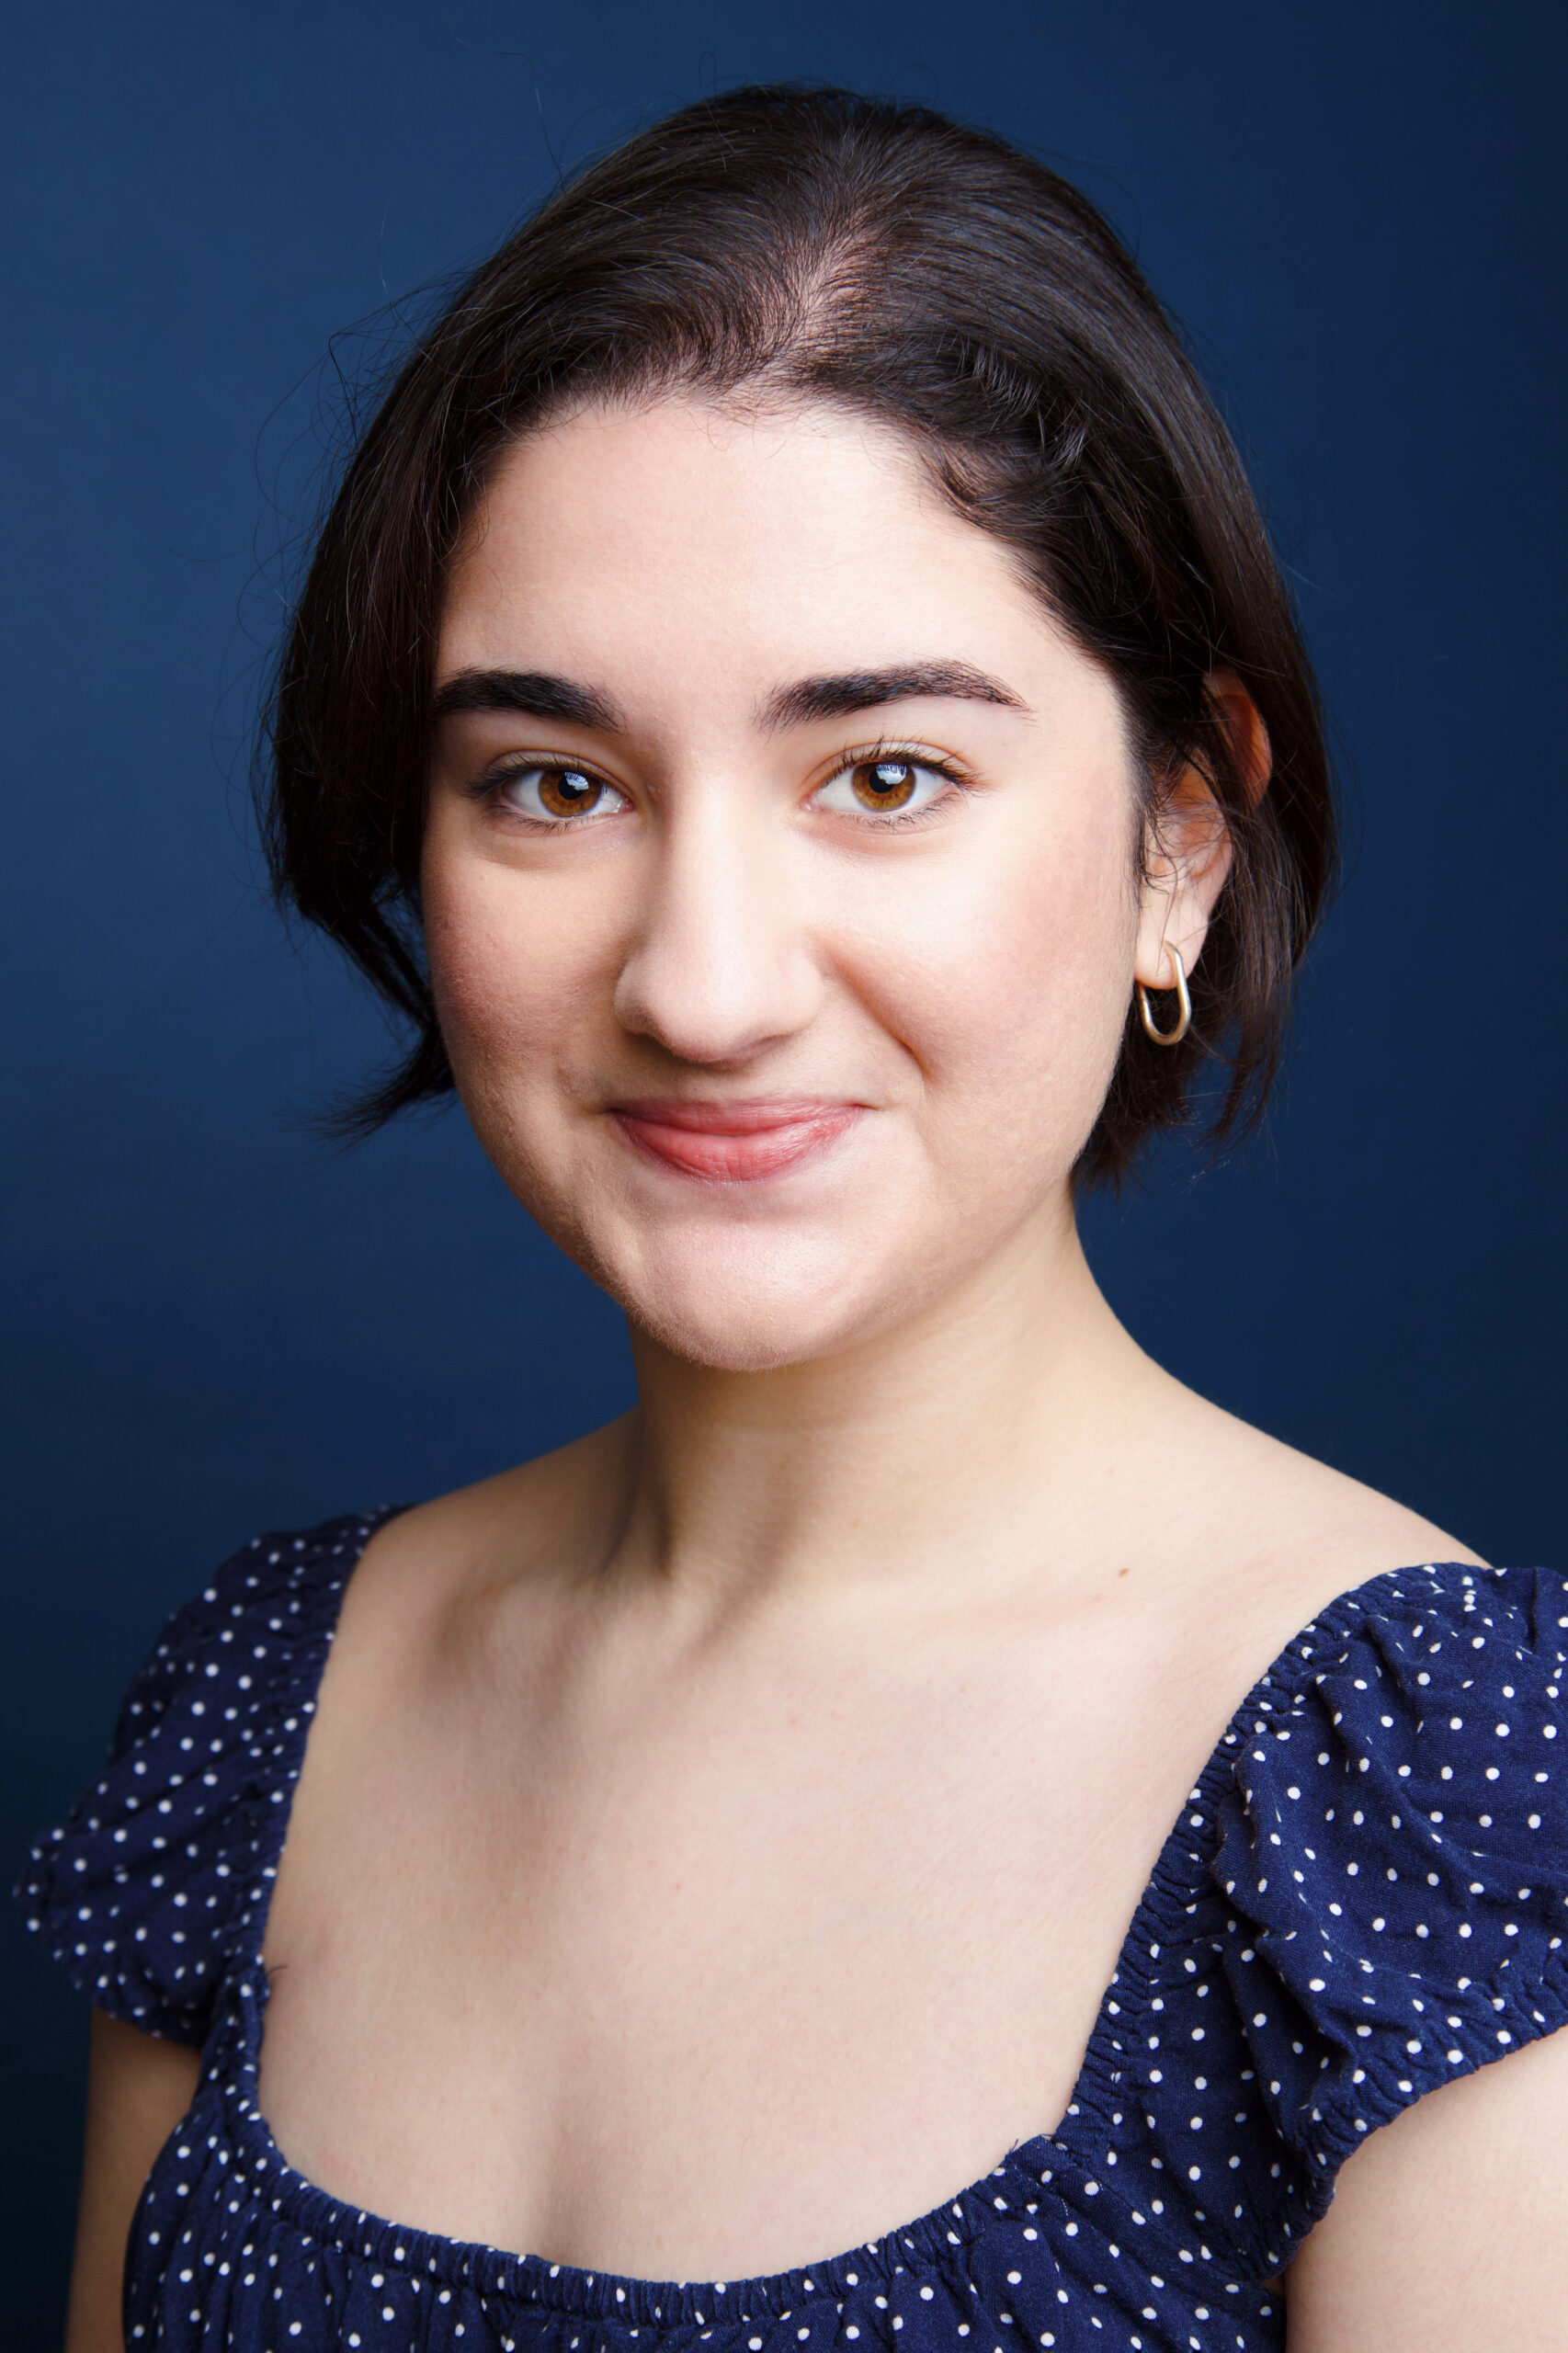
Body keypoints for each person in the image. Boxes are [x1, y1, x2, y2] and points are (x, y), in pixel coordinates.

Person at [21, 84, 1566, 2353]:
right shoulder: (270, 1702)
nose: (705, 983)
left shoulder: (1428, 1792)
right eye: (556, 782)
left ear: (1181, 837)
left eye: (884, 774)